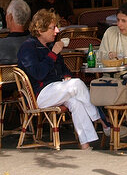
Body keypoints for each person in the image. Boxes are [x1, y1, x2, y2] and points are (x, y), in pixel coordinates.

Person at [18, 8, 103, 149]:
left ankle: (85, 145)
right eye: (52, 28)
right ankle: (101, 120)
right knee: (77, 84)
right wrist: (53, 54)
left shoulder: (51, 46)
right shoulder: (28, 47)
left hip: (56, 90)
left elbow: (64, 70)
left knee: (76, 101)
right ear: (40, 30)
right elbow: (38, 73)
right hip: (39, 95)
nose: (57, 31)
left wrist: (66, 76)